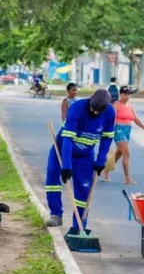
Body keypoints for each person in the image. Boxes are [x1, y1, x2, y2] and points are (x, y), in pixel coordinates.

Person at [45, 89, 115, 229]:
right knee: (53, 176)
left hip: (85, 155)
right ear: (90, 100)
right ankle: (56, 214)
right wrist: (66, 165)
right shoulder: (77, 108)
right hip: (63, 147)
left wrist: (101, 160)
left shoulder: (110, 113)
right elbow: (68, 139)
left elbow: (107, 138)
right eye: (93, 109)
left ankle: (79, 226)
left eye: (98, 111)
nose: (95, 113)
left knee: (84, 190)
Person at [102, 86, 144, 185]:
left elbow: (135, 118)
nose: (127, 96)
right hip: (118, 130)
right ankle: (127, 178)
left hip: (127, 131)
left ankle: (106, 171)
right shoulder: (116, 105)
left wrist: (142, 126)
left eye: (129, 94)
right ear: (120, 94)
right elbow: (112, 119)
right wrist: (108, 132)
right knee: (126, 153)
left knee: (119, 153)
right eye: (125, 94)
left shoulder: (130, 106)